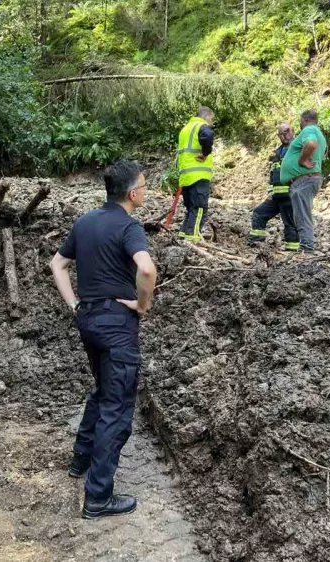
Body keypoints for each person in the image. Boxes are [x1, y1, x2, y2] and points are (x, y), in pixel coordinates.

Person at [49, 161, 157, 519]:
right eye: (144, 186)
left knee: (101, 390)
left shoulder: (85, 222)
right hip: (116, 325)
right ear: (132, 193)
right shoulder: (129, 226)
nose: (145, 191)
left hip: (89, 320)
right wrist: (142, 305)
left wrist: (74, 305)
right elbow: (146, 269)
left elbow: (57, 265)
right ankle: (98, 497)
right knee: (117, 406)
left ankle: (80, 460)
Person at [279, 110, 327, 253]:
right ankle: (306, 247)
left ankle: (307, 249)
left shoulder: (309, 130)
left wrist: (302, 160)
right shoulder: (318, 132)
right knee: (302, 214)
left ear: (303, 120)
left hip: (303, 180)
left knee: (302, 216)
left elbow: (311, 144)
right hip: (307, 179)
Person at [248, 123, 300, 251]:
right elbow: (273, 175)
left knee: (290, 223)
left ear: (293, 131)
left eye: (287, 131)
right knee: (259, 213)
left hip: (291, 195)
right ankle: (256, 244)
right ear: (278, 136)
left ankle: (292, 251)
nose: (285, 135)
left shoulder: (298, 149)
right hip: (277, 196)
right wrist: (271, 192)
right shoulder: (277, 153)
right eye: (282, 133)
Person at [176, 106, 215, 242]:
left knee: (191, 209)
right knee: (199, 209)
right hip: (198, 175)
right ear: (206, 116)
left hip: (186, 176)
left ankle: (183, 237)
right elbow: (208, 135)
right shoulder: (201, 126)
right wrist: (205, 153)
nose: (211, 122)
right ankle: (192, 239)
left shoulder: (185, 129)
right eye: (211, 119)